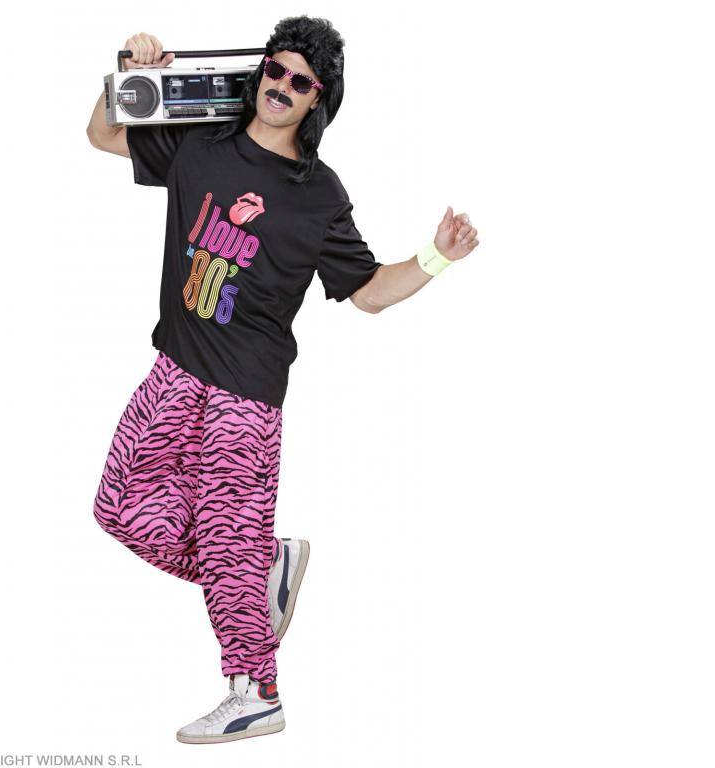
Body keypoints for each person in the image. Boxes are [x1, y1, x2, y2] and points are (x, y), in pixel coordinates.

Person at [86, 17, 480, 744]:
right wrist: (133, 75)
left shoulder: (317, 194)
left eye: (301, 81)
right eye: (276, 70)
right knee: (118, 507)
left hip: (245, 396)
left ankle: (256, 693)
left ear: (315, 100)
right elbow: (102, 135)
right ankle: (260, 566)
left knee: (226, 537)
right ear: (260, 71)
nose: (282, 86)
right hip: (174, 369)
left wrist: (436, 257)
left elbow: (367, 292)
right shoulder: (200, 144)